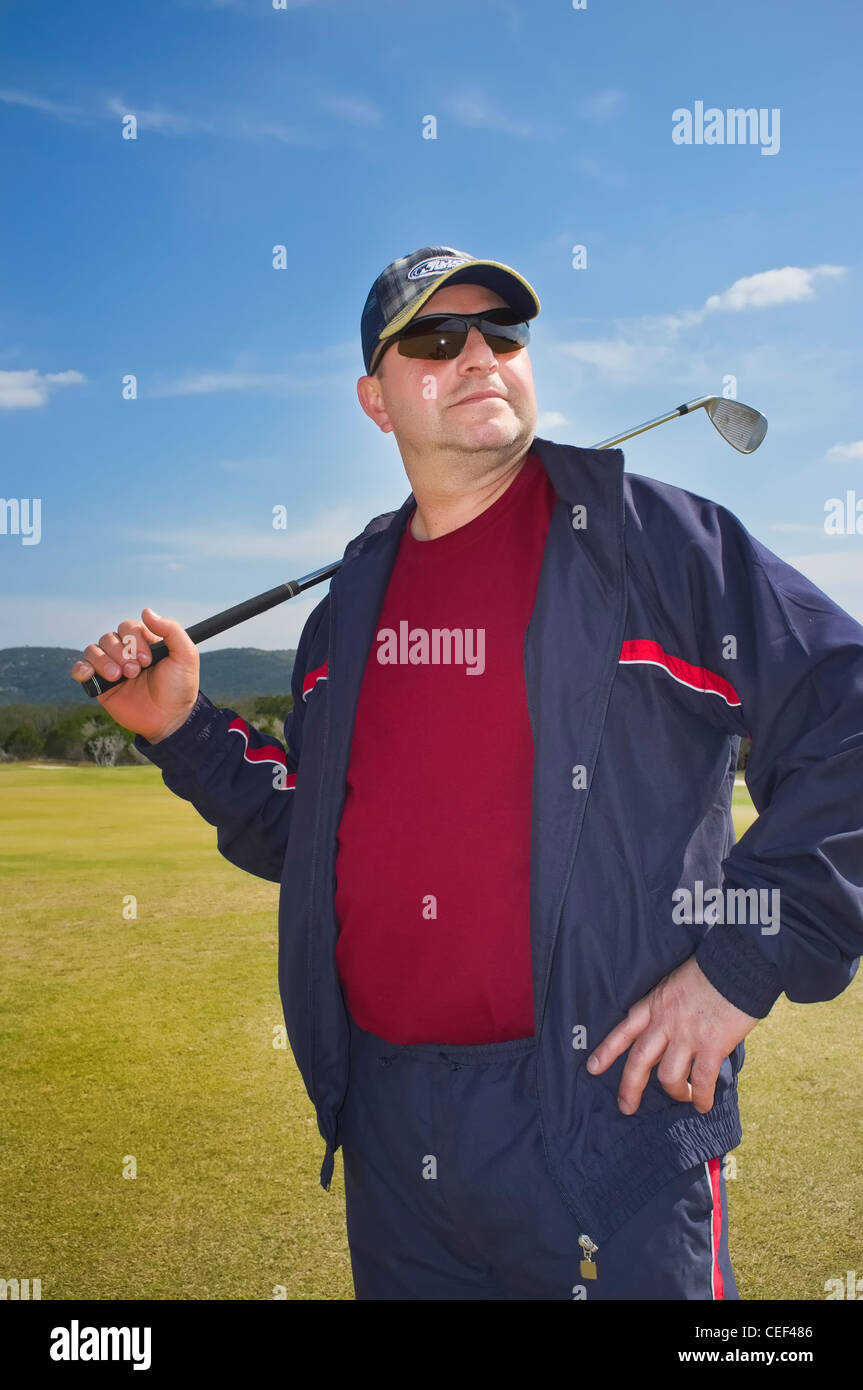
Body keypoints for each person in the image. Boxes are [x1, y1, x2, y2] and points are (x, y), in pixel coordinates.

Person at [72, 245, 863, 1301]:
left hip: (607, 1116)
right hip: (393, 1136)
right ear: (374, 399)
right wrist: (180, 728)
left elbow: (844, 721)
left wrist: (743, 962)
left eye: (502, 333)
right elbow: (311, 834)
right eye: (437, 340)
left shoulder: (658, 548)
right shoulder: (341, 618)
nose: (480, 355)